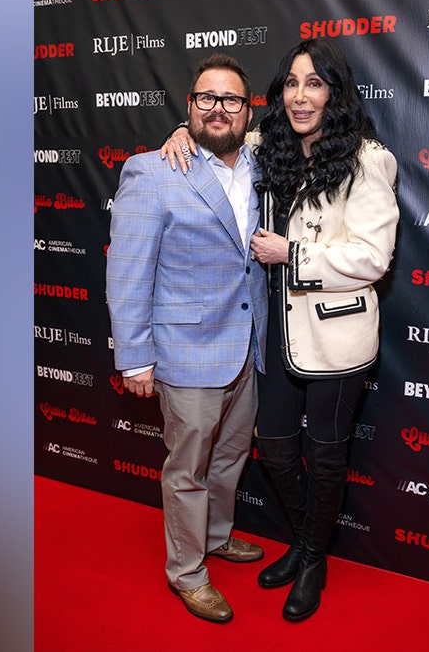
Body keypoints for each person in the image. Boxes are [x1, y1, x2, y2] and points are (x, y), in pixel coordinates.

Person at [160, 38, 399, 622]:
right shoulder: (272, 146)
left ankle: (313, 558)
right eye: (291, 83)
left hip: (338, 340)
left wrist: (292, 252)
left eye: (313, 83)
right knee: (278, 451)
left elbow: (373, 257)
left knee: (324, 460)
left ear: (334, 92)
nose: (299, 96)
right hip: (276, 337)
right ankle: (305, 540)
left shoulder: (369, 160)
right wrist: (181, 133)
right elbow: (219, 124)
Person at [106, 53, 269, 624]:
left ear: (248, 110)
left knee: (228, 459)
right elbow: (127, 270)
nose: (218, 108)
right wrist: (134, 358)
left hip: (247, 346)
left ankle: (218, 535)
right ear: (189, 105)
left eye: (231, 99)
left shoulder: (261, 160)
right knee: (189, 469)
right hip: (185, 351)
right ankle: (188, 571)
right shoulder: (153, 171)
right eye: (206, 98)